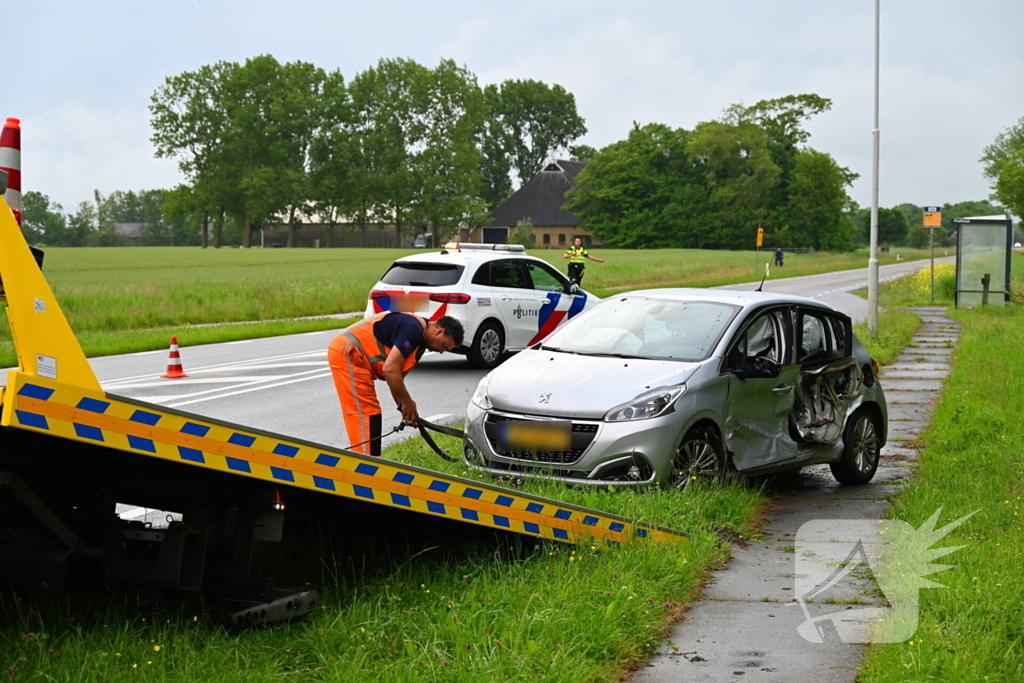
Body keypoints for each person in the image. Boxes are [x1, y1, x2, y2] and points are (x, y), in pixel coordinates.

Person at [328, 312, 464, 456]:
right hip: (349, 351)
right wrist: (407, 402)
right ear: (439, 331)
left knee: (371, 412)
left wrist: (406, 411)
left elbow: (396, 378)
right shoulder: (413, 329)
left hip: (357, 358)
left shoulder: (419, 345)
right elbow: (390, 369)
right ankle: (365, 461)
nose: (442, 352)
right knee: (364, 412)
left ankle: (369, 459)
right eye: (444, 346)